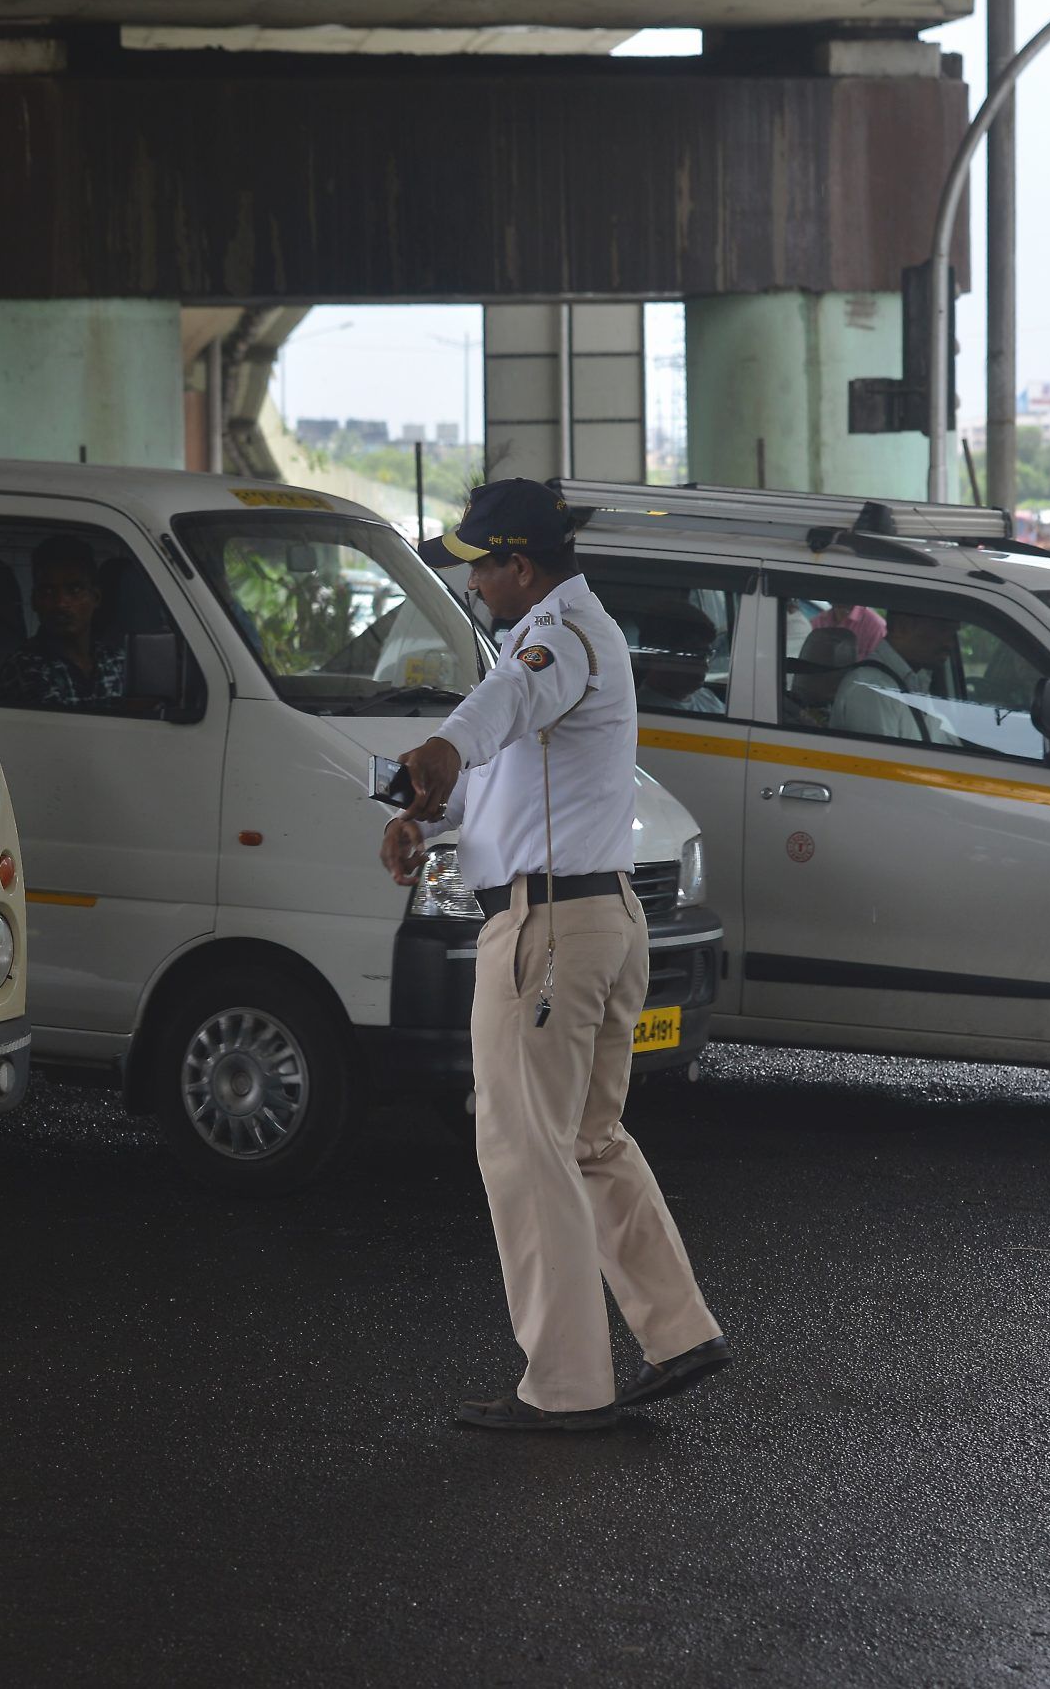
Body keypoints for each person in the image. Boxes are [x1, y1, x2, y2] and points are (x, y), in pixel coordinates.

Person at [380, 478, 727, 1432]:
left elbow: (506, 701)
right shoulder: (570, 637)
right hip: (598, 922)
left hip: (546, 936)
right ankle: (678, 1332)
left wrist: (442, 751)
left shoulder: (556, 639)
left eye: (479, 566)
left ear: (518, 565)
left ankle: (566, 1387)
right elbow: (512, 777)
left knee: (525, 1152)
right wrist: (430, 817)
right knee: (587, 1140)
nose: (473, 584)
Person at [1, 537, 125, 708]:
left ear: (95, 597)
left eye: (74, 589)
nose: (60, 603)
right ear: (35, 601)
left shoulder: (116, 661)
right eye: (48, 591)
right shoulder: (26, 666)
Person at [829, 607, 959, 744]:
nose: (950, 644)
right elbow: (881, 763)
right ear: (902, 627)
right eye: (944, 631)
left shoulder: (916, 681)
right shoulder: (873, 688)